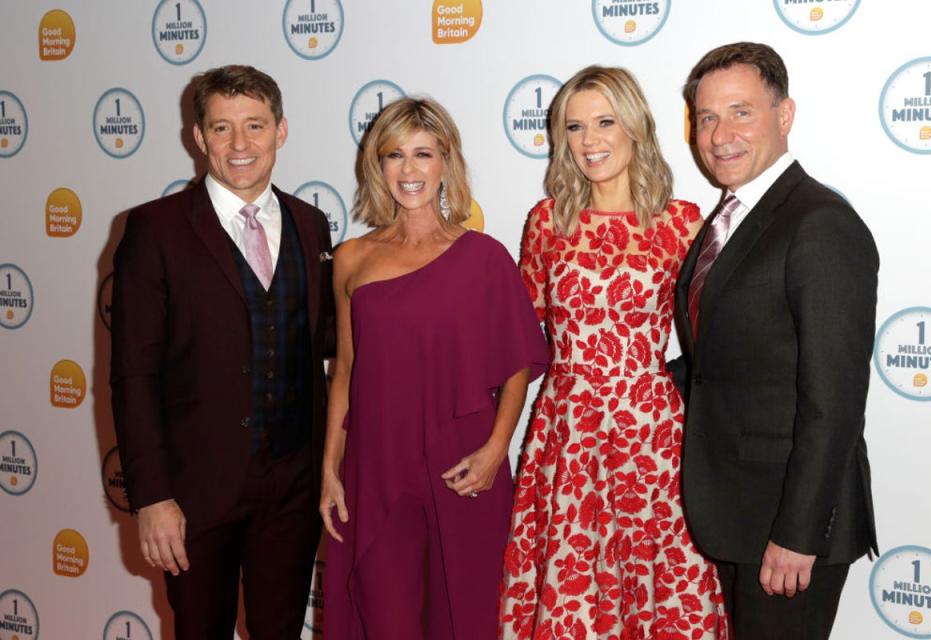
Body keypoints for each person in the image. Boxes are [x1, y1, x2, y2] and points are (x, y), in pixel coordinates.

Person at [500, 65, 728, 640]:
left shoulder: (681, 224)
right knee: (570, 584)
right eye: (574, 127)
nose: (589, 141)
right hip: (567, 431)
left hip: (650, 432)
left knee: (657, 582)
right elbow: (522, 342)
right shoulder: (547, 222)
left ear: (635, 128)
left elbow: (717, 338)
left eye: (605, 122)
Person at [110, 65, 335, 639]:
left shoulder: (312, 227)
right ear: (198, 136)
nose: (240, 145)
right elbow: (133, 375)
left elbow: (330, 348)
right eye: (222, 128)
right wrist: (153, 497)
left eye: (255, 126)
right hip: (194, 492)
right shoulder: (153, 230)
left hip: (293, 486)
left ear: (281, 131)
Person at [320, 96, 548, 639]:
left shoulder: (485, 257)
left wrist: (496, 449)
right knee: (384, 619)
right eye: (395, 155)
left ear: (446, 160)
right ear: (378, 165)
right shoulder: (352, 258)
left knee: (465, 619)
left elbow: (519, 364)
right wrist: (331, 469)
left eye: (423, 154)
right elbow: (345, 371)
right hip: (375, 468)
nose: (409, 170)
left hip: (464, 465)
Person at [676, 42, 879, 639]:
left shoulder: (820, 223)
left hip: (790, 528)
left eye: (741, 112)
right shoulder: (727, 217)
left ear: (784, 115)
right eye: (707, 117)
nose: (719, 135)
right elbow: (723, 363)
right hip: (735, 509)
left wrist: (797, 533)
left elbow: (834, 402)